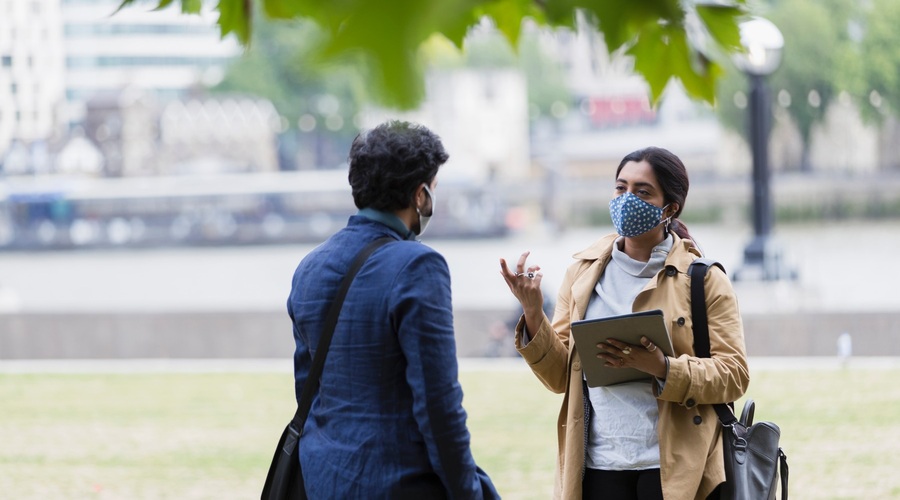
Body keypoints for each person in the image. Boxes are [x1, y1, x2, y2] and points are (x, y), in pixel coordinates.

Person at [499, 147, 748, 500]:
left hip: (676, 470)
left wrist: (663, 368)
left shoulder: (704, 280)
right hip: (597, 466)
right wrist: (533, 313)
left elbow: (734, 374)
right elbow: (559, 378)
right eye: (620, 188)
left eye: (642, 192)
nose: (627, 199)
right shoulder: (582, 274)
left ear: (670, 208)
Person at [288, 120, 499, 499]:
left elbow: (308, 391)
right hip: (401, 483)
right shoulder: (418, 266)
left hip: (324, 480)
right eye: (434, 188)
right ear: (420, 195)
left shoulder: (310, 266)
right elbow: (439, 406)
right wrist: (468, 492)